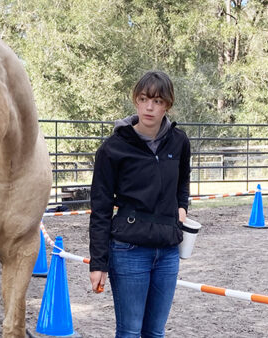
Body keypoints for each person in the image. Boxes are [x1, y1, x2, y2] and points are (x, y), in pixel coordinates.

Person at [89, 70, 191, 338]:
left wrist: (182, 206)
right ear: (135, 100)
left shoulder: (179, 141)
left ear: (167, 105)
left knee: (155, 332)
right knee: (130, 332)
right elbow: (100, 210)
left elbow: (183, 180)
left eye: (157, 101)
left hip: (168, 251)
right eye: (144, 98)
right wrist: (98, 263)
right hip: (128, 250)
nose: (150, 106)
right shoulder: (112, 148)